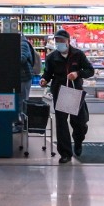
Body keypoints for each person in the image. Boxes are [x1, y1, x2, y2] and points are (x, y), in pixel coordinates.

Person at [40, 29, 95, 163]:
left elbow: (90, 70)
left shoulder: (78, 54)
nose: (59, 43)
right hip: (60, 92)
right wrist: (44, 79)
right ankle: (65, 153)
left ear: (68, 41)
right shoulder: (52, 57)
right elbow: (47, 73)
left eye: (61, 41)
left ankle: (78, 140)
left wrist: (77, 74)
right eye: (57, 41)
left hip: (75, 91)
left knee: (80, 122)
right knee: (61, 124)